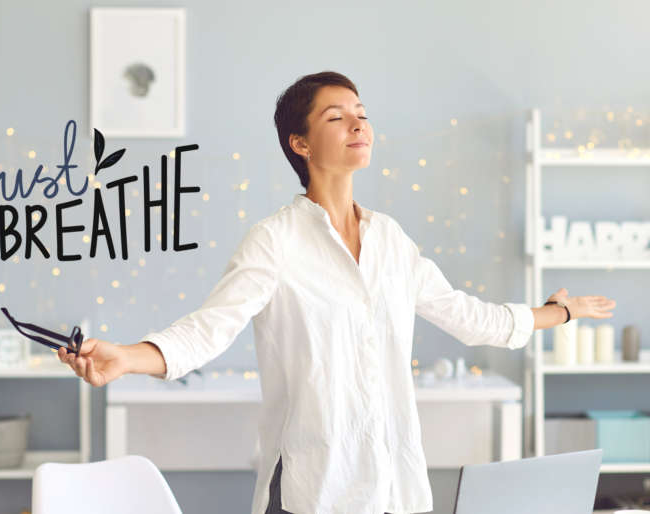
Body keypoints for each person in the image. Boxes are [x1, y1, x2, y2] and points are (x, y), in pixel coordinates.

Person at [57, 71, 616, 514]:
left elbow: (471, 319)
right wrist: (126, 358)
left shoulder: (392, 241)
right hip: (311, 491)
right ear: (299, 142)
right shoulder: (274, 241)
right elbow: (209, 330)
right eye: (338, 116)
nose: (359, 125)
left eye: (363, 115)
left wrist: (558, 312)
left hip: (391, 489)